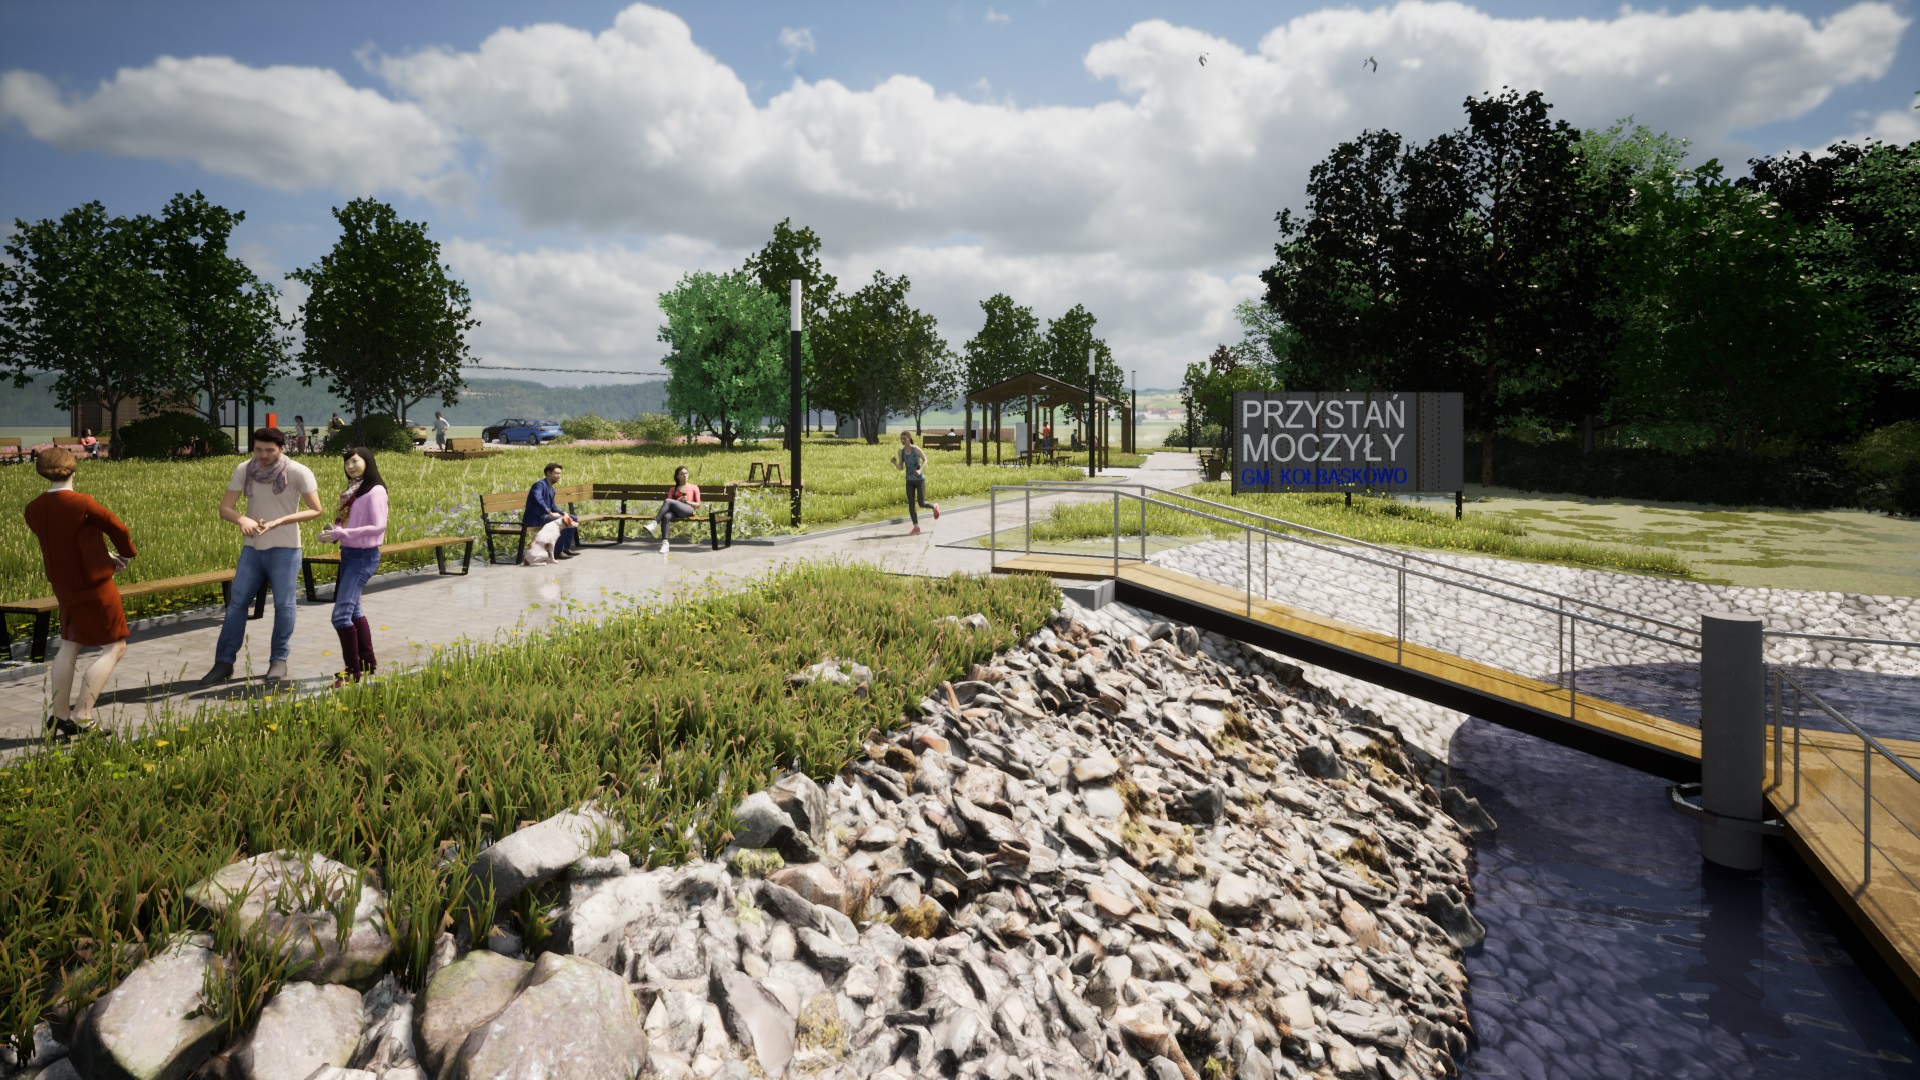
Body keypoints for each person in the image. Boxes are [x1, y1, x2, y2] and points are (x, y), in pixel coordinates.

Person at [23, 448, 135, 737]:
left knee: (70, 644)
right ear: (73, 469)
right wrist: (124, 555)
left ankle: (58, 715)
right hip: (95, 585)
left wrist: (101, 554)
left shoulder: (33, 508)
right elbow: (119, 529)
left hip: (63, 585)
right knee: (115, 647)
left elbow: (65, 542)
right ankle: (83, 715)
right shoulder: (83, 502)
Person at [200, 427, 322, 686]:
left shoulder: (298, 472)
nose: (263, 455)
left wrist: (279, 521)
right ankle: (223, 662)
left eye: (269, 450)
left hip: (286, 549)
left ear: (282, 448)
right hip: (252, 549)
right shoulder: (245, 469)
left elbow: (316, 510)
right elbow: (225, 508)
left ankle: (279, 659)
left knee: (284, 605)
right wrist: (242, 519)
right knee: (236, 605)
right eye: (258, 450)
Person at [318, 447, 388, 687]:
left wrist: (344, 533)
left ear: (367, 462)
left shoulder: (375, 491)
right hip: (349, 554)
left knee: (340, 616)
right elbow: (344, 523)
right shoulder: (352, 491)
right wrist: (331, 534)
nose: (350, 466)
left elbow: (379, 526)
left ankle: (352, 672)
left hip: (364, 556)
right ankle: (367, 663)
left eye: (355, 461)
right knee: (354, 611)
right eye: (347, 462)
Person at [524, 462, 578, 561]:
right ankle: (558, 551)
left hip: (545, 517)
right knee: (562, 521)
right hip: (536, 518)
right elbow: (538, 499)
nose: (559, 476)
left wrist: (563, 513)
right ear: (548, 473)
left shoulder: (551, 489)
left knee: (573, 518)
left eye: (560, 474)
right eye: (557, 473)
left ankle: (565, 548)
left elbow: (553, 506)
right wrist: (549, 512)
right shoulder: (539, 485)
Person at [892, 431, 940, 535]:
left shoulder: (916, 449)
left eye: (904, 438)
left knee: (921, 503)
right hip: (909, 480)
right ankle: (916, 526)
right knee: (911, 504)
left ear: (909, 438)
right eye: (901, 439)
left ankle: (934, 507)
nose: (902, 440)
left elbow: (925, 460)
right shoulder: (901, 452)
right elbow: (901, 468)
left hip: (919, 480)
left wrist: (920, 470)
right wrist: (895, 463)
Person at [644, 466, 700, 554]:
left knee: (667, 501)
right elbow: (669, 505)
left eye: (686, 473)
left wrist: (687, 502)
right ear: (677, 476)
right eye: (682, 474)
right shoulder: (673, 489)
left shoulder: (694, 487)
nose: (685, 475)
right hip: (675, 512)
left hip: (688, 510)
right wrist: (680, 501)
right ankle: (665, 544)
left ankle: (654, 523)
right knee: (666, 516)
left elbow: (698, 505)